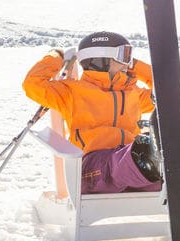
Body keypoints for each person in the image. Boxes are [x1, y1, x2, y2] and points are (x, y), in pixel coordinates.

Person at [22, 31, 163, 195]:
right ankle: (144, 161)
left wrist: (135, 64)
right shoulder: (72, 92)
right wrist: (56, 56)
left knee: (163, 167)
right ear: (99, 60)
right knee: (123, 162)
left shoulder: (133, 93)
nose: (128, 63)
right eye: (124, 55)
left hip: (132, 165)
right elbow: (32, 84)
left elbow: (164, 88)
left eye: (130, 56)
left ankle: (176, 159)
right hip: (92, 165)